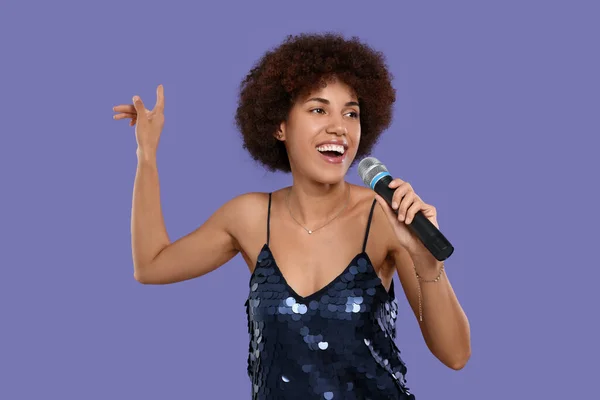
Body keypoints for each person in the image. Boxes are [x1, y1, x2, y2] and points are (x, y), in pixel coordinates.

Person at [113, 33, 470, 400]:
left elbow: (455, 356)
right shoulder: (250, 217)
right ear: (279, 126)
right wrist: (147, 154)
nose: (339, 127)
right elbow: (151, 265)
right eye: (319, 109)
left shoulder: (385, 216)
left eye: (351, 113)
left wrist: (427, 263)